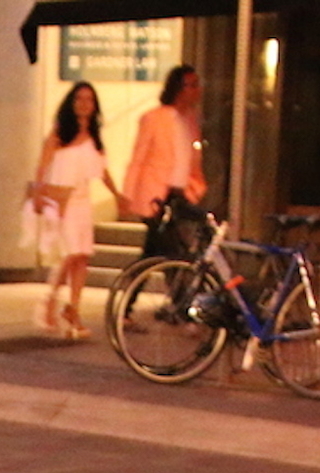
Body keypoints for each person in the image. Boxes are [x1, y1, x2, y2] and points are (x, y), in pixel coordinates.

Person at [29, 81, 129, 339]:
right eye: (79, 99)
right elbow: (42, 166)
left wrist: (117, 195)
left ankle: (73, 308)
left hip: (82, 201)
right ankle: (49, 300)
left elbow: (102, 170)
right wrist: (38, 193)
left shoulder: (94, 137)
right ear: (71, 103)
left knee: (82, 255)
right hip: (63, 200)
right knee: (70, 254)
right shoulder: (60, 133)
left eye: (89, 100)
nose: (84, 104)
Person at [120, 64, 208, 255]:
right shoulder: (154, 118)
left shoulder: (190, 120)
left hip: (181, 192)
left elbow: (192, 158)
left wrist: (195, 187)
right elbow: (138, 157)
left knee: (157, 248)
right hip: (157, 194)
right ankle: (173, 281)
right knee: (169, 247)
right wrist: (127, 194)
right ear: (178, 88)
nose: (197, 90)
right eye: (191, 85)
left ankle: (135, 281)